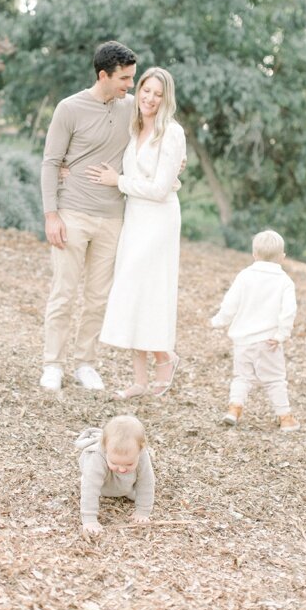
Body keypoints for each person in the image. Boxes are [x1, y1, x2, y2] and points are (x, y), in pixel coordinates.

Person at [39, 40, 137, 395]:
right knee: (63, 293)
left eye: (132, 78)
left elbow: (154, 139)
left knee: (98, 297)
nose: (130, 85)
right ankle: (53, 364)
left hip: (112, 218)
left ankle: (85, 364)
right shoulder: (69, 108)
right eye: (124, 78)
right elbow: (51, 162)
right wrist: (52, 216)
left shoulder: (132, 108)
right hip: (72, 213)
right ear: (103, 75)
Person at [96, 68, 186, 398]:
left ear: (167, 99)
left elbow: (161, 189)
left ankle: (165, 357)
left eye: (158, 94)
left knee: (148, 290)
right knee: (134, 292)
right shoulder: (133, 128)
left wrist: (117, 182)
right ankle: (140, 380)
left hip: (159, 219)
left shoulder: (172, 133)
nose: (149, 98)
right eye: (145, 91)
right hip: (134, 216)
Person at [212, 230, 298, 430]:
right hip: (269, 341)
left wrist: (220, 320)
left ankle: (234, 409)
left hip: (243, 341)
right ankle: (285, 418)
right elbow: (289, 311)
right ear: (282, 257)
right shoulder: (284, 281)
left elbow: (230, 303)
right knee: (275, 379)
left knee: (242, 376)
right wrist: (281, 335)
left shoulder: (245, 276)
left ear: (254, 254)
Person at [77, 414, 155, 538]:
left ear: (140, 449)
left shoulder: (141, 453)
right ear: (105, 448)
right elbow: (90, 489)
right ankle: (113, 483)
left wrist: (143, 512)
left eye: (129, 463)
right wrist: (89, 520)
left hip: (126, 484)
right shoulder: (97, 457)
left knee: (137, 492)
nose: (122, 469)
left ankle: (124, 488)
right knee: (91, 481)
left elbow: (146, 481)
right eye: (114, 462)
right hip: (104, 484)